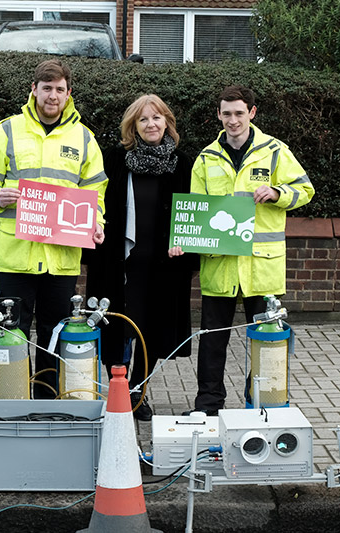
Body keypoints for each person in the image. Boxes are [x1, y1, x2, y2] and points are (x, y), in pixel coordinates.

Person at [0, 59, 108, 399]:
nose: (53, 95)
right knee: (11, 332)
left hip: (59, 259)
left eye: (60, 89)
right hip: (15, 258)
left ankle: (46, 402)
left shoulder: (84, 138)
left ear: (68, 93)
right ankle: (14, 401)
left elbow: (96, 191)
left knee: (54, 335)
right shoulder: (7, 131)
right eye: (47, 88)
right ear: (34, 90)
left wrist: (97, 223)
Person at [180, 85, 314, 415]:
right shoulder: (206, 158)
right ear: (218, 115)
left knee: (266, 341)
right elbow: (197, 210)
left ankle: (263, 404)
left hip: (261, 266)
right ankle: (208, 405)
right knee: (212, 341)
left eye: (239, 113)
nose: (233, 120)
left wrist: (278, 192)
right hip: (221, 265)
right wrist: (184, 238)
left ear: (252, 113)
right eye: (226, 113)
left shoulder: (275, 151)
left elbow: (305, 189)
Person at [85, 94, 195, 421]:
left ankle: (139, 391)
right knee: (115, 324)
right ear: (133, 126)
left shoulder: (183, 163)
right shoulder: (114, 161)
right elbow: (94, 201)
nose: (151, 124)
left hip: (162, 264)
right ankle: (117, 388)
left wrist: (183, 241)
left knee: (151, 328)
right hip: (117, 261)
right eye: (143, 119)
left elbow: (194, 211)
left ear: (167, 123)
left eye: (157, 118)